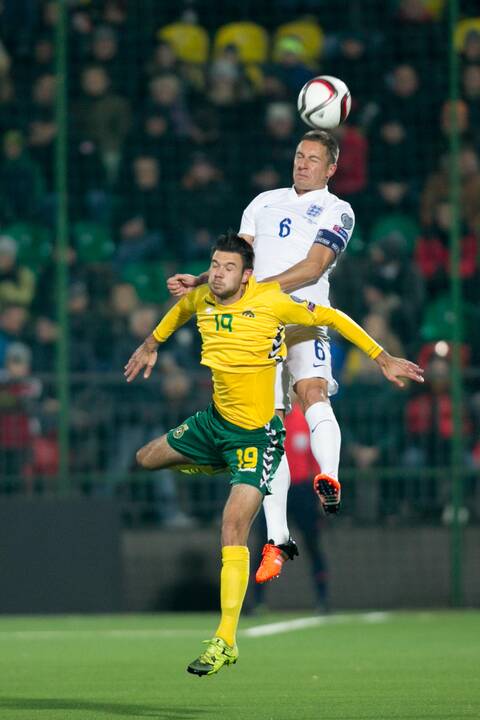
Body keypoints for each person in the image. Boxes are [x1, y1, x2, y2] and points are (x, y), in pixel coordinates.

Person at [126, 232, 424, 676]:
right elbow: (178, 312)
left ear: (247, 276)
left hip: (256, 438)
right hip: (214, 424)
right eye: (215, 265)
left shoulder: (271, 301)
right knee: (144, 458)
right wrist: (151, 343)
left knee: (232, 526)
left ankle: (224, 639)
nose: (220, 273)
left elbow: (335, 317)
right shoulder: (202, 298)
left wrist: (382, 358)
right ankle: (218, 464)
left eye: (229, 267)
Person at [167, 130, 360, 583]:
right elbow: (236, 259)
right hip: (259, 326)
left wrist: (262, 294)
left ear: (331, 169)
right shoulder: (263, 202)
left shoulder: (338, 210)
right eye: (299, 156)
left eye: (313, 159)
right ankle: (278, 538)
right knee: (267, 425)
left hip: (304, 313)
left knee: (312, 391)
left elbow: (314, 267)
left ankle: (328, 476)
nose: (303, 164)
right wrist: (201, 280)